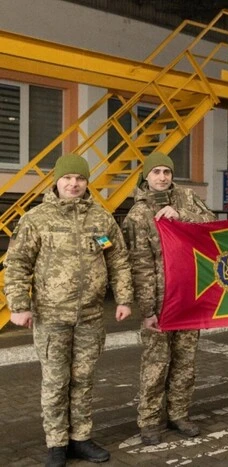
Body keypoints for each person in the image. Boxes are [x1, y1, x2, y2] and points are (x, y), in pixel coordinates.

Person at [4, 153, 133, 467]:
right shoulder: (37, 219)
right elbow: (17, 264)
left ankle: (80, 438)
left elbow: (118, 260)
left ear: (86, 182)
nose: (73, 184)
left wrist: (124, 299)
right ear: (56, 181)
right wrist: (19, 306)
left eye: (79, 178)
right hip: (51, 317)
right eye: (67, 178)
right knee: (55, 382)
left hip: (90, 316)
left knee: (84, 380)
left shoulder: (101, 220)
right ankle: (56, 444)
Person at [122, 152, 216, 446]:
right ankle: (149, 421)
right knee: (156, 364)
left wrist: (182, 215)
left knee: (185, 362)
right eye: (156, 172)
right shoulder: (138, 215)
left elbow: (212, 224)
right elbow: (139, 266)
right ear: (146, 176)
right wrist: (147, 310)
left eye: (167, 172)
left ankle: (178, 414)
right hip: (161, 303)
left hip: (190, 297)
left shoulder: (187, 198)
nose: (162, 177)